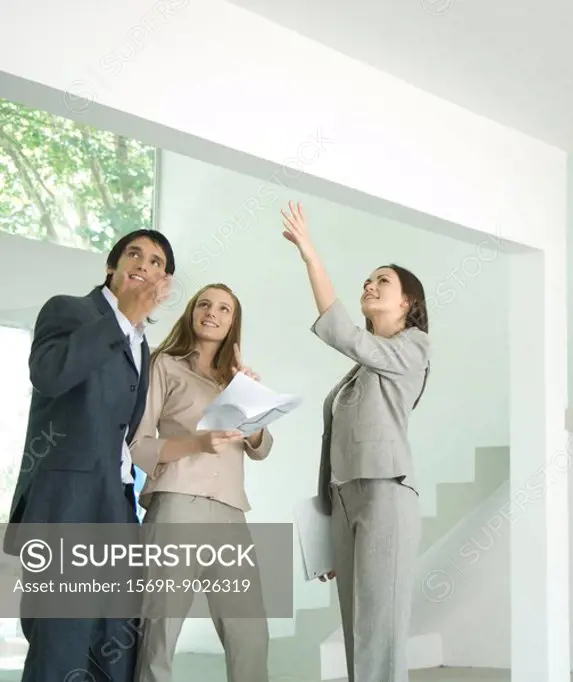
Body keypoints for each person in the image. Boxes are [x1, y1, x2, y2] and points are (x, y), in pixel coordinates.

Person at [2, 229, 175, 682]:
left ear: (165, 281)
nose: (144, 264)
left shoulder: (142, 344)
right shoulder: (69, 310)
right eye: (133, 254)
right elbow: (50, 374)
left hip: (117, 505)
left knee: (115, 643)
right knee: (62, 639)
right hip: (68, 505)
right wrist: (121, 319)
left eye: (156, 261)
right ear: (111, 267)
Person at [279, 201, 430, 682]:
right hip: (344, 501)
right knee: (355, 631)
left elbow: (344, 333)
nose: (370, 284)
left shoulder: (413, 348)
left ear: (407, 303)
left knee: (378, 634)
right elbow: (333, 443)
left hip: (386, 493)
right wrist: (327, 523)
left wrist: (310, 254)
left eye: (381, 281)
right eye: (368, 279)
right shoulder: (362, 368)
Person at [128, 283, 273, 682]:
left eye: (225, 308)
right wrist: (196, 442)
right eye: (205, 304)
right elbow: (139, 447)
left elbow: (261, 448)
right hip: (176, 506)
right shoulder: (164, 365)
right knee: (160, 631)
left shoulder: (237, 379)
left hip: (229, 511)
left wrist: (252, 402)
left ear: (233, 322)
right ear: (192, 312)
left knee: (250, 633)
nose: (213, 312)